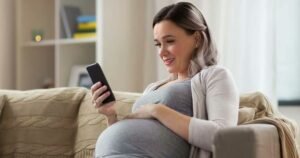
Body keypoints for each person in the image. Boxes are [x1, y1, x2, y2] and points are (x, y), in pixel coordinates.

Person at [91, 2, 239, 158]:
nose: (162, 52)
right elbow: (128, 143)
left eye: (170, 41)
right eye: (158, 44)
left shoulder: (215, 76)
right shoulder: (153, 88)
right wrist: (111, 116)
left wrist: (156, 110)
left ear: (196, 39)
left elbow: (224, 137)